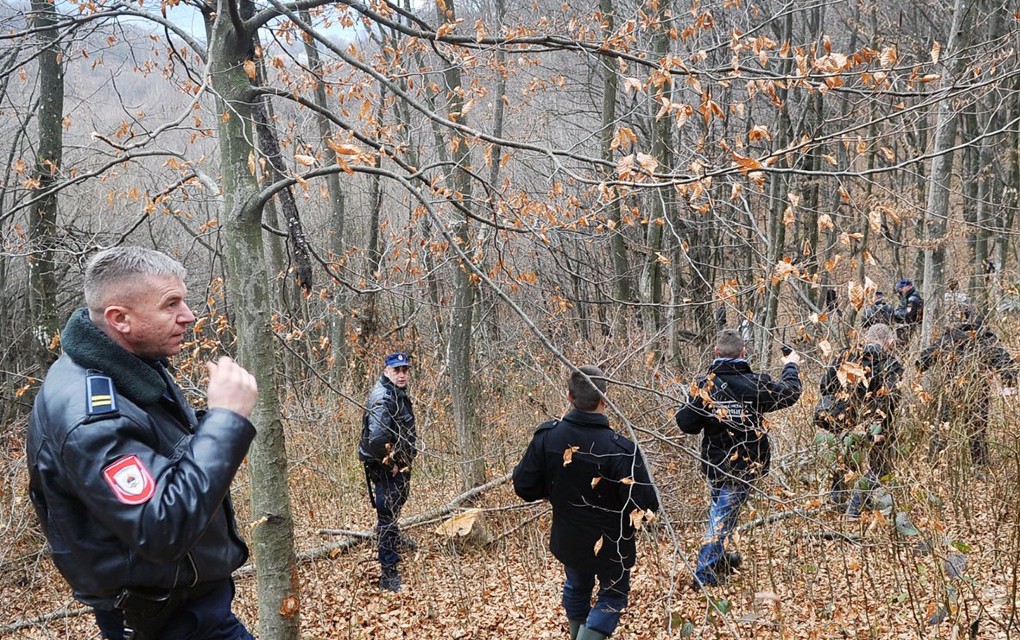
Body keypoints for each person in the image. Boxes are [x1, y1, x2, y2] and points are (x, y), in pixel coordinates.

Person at [27, 246, 259, 640]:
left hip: (190, 606)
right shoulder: (91, 414)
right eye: (171, 305)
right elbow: (161, 525)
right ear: (120, 319)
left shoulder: (127, 368)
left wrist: (209, 424)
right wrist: (225, 420)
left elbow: (159, 452)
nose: (188, 316)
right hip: (166, 621)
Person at [513, 365, 658, 640]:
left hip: (570, 539)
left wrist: (551, 492)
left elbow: (524, 486)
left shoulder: (548, 437)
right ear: (605, 399)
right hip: (612, 545)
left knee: (577, 587)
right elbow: (646, 506)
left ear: (569, 397)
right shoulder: (621, 450)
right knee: (612, 596)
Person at [675, 329, 801, 587]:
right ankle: (704, 575)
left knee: (722, 513)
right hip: (744, 466)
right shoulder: (754, 383)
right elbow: (791, 391)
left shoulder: (705, 386)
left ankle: (720, 560)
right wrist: (791, 366)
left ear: (715, 353)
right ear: (743, 353)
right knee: (721, 517)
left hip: (715, 464)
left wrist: (700, 401)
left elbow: (686, 424)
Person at [818, 323, 904, 519]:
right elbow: (889, 399)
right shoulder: (890, 364)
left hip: (842, 421)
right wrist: (879, 429)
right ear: (889, 342)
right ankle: (854, 507)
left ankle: (837, 501)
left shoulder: (844, 356)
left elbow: (824, 386)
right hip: (871, 424)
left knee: (844, 460)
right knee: (879, 467)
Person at [917, 305, 1016, 467]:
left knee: (942, 427)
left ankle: (934, 463)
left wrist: (921, 366)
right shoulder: (987, 339)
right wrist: (1009, 381)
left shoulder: (949, 338)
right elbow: (1005, 362)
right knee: (977, 430)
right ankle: (980, 466)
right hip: (978, 392)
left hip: (952, 389)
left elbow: (924, 360)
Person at [358, 351, 417, 592]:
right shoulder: (383, 398)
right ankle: (388, 574)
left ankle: (391, 556)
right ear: (386, 371)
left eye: (404, 370)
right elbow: (376, 439)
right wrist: (390, 464)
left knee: (392, 514)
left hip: (398, 466)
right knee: (387, 517)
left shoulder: (396, 394)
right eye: (397, 370)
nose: (402, 374)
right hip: (386, 470)